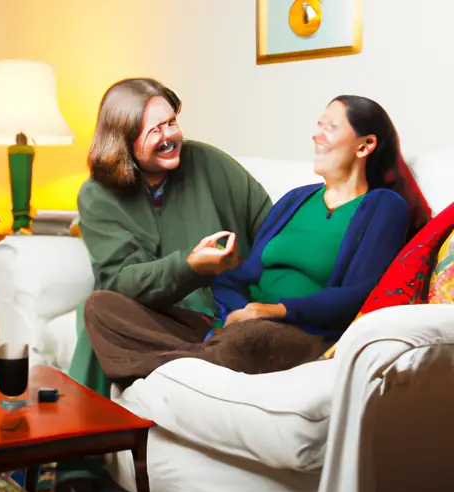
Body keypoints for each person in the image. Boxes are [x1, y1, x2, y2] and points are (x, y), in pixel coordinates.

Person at [84, 95, 429, 382]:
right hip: (238, 324)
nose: (317, 135)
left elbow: (358, 296)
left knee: (251, 339)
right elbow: (242, 275)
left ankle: (191, 363)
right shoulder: (296, 199)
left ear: (365, 145)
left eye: (331, 127)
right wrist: (238, 310)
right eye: (319, 126)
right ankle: (200, 361)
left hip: (297, 331)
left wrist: (274, 311)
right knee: (101, 307)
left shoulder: (383, 206)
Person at [68, 78, 273, 396]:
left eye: (172, 123)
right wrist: (190, 267)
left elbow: (270, 230)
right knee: (96, 309)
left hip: (229, 312)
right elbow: (121, 283)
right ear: (123, 139)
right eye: (155, 130)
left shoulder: (209, 163)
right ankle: (87, 435)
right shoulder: (97, 195)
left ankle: (204, 356)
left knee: (95, 319)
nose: (170, 137)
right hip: (160, 318)